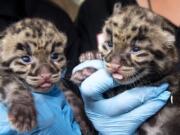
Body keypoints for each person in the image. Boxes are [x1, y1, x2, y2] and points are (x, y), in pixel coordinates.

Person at [0, 0, 171, 135]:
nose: (45, 73)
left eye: (55, 56)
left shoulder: (51, 15)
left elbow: (71, 82)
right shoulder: (95, 9)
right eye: (25, 58)